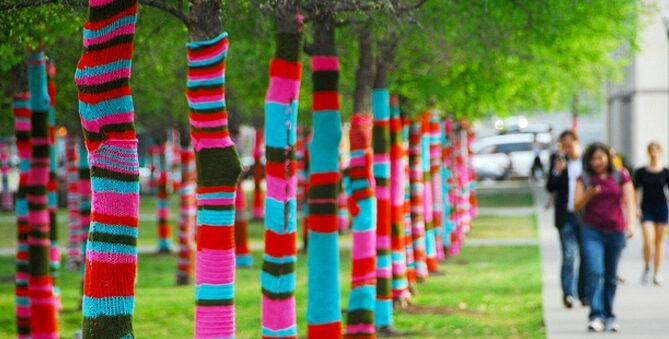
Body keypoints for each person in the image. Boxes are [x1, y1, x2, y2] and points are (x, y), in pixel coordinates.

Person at [574, 142, 635, 332]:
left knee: (610, 275)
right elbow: (576, 205)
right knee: (594, 271)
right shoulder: (583, 178)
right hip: (592, 231)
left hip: (615, 231)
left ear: (608, 158)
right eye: (593, 159)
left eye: (600, 158)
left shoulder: (620, 175)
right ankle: (595, 314)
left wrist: (631, 224)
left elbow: (630, 201)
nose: (597, 162)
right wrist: (588, 194)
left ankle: (609, 315)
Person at [546, 130, 586, 308]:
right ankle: (568, 294)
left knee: (585, 256)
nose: (567, 149)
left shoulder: (587, 163)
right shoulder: (559, 162)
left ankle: (583, 293)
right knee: (569, 256)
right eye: (564, 145)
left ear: (577, 143)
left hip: (585, 217)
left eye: (570, 145)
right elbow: (550, 187)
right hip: (566, 217)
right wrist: (556, 171)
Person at [633, 142, 669, 285]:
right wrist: (636, 207)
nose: (654, 153)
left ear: (660, 152)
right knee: (648, 240)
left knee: (659, 242)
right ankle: (648, 266)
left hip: (661, 207)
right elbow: (636, 190)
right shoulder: (641, 172)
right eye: (651, 151)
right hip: (646, 208)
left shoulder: (665, 172)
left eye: (656, 151)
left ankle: (657, 271)